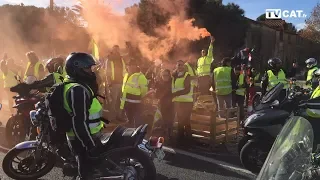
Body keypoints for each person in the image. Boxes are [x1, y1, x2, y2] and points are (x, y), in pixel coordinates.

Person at [63, 52, 104, 180]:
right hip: (83, 136)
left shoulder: (71, 82)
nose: (91, 72)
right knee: (87, 170)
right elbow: (79, 121)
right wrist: (88, 143)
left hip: (85, 133)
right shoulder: (77, 90)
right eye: (87, 68)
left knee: (89, 164)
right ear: (77, 69)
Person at [120, 60, 148, 128]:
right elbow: (124, 88)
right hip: (126, 102)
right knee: (130, 120)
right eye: (129, 65)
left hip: (136, 104)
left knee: (137, 122)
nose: (131, 67)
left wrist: (142, 98)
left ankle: (137, 135)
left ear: (136, 66)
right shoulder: (126, 75)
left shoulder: (140, 76)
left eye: (133, 65)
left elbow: (144, 90)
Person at [172, 60, 193, 147]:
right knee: (180, 121)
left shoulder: (187, 75)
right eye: (178, 65)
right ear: (176, 66)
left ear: (184, 67)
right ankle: (181, 140)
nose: (180, 67)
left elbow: (187, 89)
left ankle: (188, 141)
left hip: (187, 102)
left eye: (181, 65)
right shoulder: (174, 76)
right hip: (178, 102)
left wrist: (175, 94)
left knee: (186, 121)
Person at [106, 45, 127, 122]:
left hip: (121, 82)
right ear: (112, 50)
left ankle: (119, 116)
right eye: (115, 49)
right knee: (113, 101)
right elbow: (107, 72)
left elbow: (124, 70)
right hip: (113, 83)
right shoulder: (109, 59)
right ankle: (112, 118)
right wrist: (109, 83)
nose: (117, 51)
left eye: (118, 49)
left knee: (120, 101)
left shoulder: (121, 59)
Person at [154, 69, 174, 139]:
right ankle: (164, 136)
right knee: (163, 120)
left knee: (170, 121)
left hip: (171, 104)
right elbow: (156, 95)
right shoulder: (159, 83)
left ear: (169, 75)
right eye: (163, 75)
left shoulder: (173, 82)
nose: (165, 77)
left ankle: (169, 136)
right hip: (162, 104)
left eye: (166, 75)